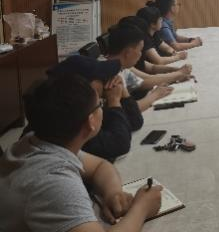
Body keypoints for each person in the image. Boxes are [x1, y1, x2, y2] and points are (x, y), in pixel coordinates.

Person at [0, 74, 162, 231]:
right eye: (100, 104)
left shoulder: (38, 140)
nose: (102, 107)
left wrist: (113, 193)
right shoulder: (54, 182)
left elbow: (100, 166)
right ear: (91, 121)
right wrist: (142, 208)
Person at [47, 55, 142, 161]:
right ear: (85, 85)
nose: (108, 79)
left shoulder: (85, 104)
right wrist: (114, 101)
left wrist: (124, 92)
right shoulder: (72, 119)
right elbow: (120, 144)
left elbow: (135, 122)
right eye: (103, 77)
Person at [106, 25, 191, 101]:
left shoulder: (121, 66)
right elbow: (130, 109)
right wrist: (155, 95)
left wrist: (177, 76)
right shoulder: (112, 75)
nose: (141, 54)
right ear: (128, 52)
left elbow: (145, 81)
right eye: (140, 50)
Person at [116, 17, 193, 81]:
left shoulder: (124, 62)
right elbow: (148, 79)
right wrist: (178, 73)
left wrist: (176, 70)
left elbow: (152, 68)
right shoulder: (117, 69)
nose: (140, 53)